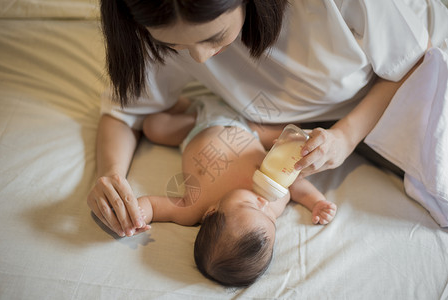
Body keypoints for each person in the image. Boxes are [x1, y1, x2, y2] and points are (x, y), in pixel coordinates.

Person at [87, 0, 448, 238]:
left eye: (214, 37)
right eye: (175, 47)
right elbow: (125, 111)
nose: (199, 59)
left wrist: (346, 136)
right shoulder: (155, 17)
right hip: (305, 124)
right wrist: (110, 177)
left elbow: (415, 59)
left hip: (414, 78)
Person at [135, 95, 337, 287]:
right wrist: (316, 202)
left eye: (250, 206)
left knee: (153, 127)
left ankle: (186, 104)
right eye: (271, 219)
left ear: (211, 211)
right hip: (247, 126)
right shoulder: (274, 202)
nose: (264, 204)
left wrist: (136, 216)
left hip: (198, 126)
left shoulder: (193, 208)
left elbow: (153, 206)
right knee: (295, 135)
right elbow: (293, 183)